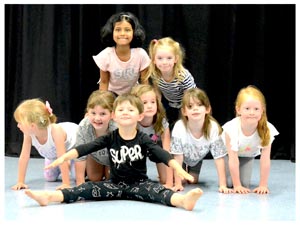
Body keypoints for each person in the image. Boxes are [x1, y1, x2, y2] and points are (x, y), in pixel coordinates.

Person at [24, 94, 203, 211]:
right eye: (121, 110)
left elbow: (162, 153)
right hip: (114, 184)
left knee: (159, 192)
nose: (125, 113)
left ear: (140, 116)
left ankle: (183, 201)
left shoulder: (143, 139)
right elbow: (85, 148)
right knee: (85, 189)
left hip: (139, 184)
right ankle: (48, 197)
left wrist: (178, 169)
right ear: (114, 116)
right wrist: (65, 156)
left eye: (131, 110)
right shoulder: (110, 137)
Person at [171, 88, 232, 193]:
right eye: (190, 106)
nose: (195, 109)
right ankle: (180, 173)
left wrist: (223, 185)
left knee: (193, 181)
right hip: (180, 157)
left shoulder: (213, 128)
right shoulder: (179, 127)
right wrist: (178, 184)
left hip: (197, 158)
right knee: (182, 180)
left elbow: (219, 158)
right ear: (184, 111)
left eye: (199, 105)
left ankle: (192, 169)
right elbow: (177, 157)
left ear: (207, 109)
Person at [222, 85, 279, 194]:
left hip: (247, 156)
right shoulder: (231, 128)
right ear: (238, 109)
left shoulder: (267, 129)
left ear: (262, 110)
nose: (252, 112)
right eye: (247, 108)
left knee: (245, 184)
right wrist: (237, 186)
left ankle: (241, 179)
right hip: (229, 155)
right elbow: (233, 159)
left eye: (256, 109)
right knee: (230, 183)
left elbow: (265, 159)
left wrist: (263, 185)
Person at [12, 98, 78, 190]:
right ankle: (63, 165)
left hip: (73, 151)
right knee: (49, 178)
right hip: (54, 155)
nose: (18, 126)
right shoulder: (28, 134)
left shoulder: (56, 131)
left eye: (20, 123)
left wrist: (66, 183)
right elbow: (24, 156)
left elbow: (61, 156)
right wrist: (20, 181)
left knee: (76, 177)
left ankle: (70, 163)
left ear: (32, 126)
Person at [93, 11, 151, 96]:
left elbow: (144, 82)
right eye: (118, 30)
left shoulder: (141, 55)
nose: (122, 33)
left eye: (127, 30)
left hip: (133, 96)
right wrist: (104, 104)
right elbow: (104, 82)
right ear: (112, 32)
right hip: (111, 96)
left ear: (134, 32)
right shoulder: (106, 55)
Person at [146, 37, 197, 130]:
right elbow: (157, 93)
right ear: (154, 60)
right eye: (160, 58)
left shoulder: (183, 76)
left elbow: (190, 97)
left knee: (182, 125)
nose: (164, 62)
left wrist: (184, 115)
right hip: (169, 103)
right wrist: (158, 109)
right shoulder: (155, 74)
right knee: (161, 122)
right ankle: (157, 138)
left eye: (169, 58)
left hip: (187, 102)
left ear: (176, 59)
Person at [131, 84, 173, 188]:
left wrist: (169, 181)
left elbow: (167, 151)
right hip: (137, 151)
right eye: (144, 103)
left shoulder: (161, 121)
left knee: (165, 179)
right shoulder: (132, 122)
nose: (150, 106)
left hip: (156, 150)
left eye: (153, 102)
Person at [74, 90, 117, 186]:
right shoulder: (84, 127)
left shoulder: (116, 128)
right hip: (95, 156)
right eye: (93, 113)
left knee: (111, 179)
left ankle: (107, 169)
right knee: (94, 178)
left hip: (112, 158)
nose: (97, 118)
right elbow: (79, 155)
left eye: (103, 114)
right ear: (87, 112)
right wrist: (80, 184)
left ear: (112, 114)